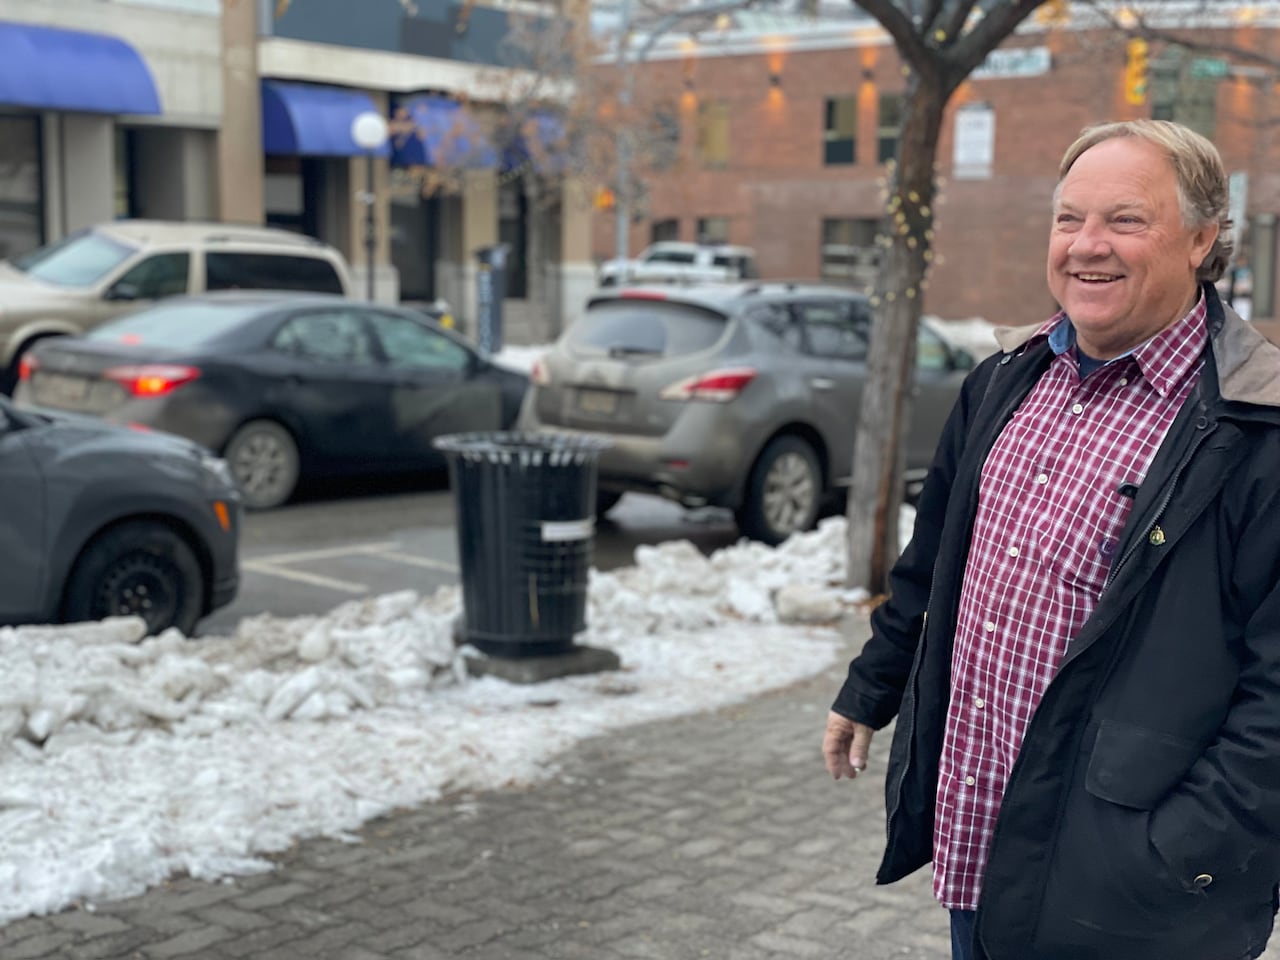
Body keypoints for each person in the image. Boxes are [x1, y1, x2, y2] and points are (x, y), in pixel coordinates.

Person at [822, 118, 1280, 960]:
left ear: (1203, 239)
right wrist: (869, 687)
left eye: (1125, 220)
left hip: (1135, 891)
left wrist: (1187, 849)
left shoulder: (1257, 429)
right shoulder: (1004, 380)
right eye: (1069, 219)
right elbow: (933, 570)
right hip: (981, 836)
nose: (1086, 246)